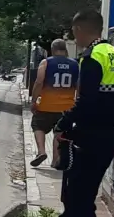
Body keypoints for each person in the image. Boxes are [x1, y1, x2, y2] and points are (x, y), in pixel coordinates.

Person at [33, 11, 114, 217]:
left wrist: (63, 124)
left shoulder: (91, 58)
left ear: (78, 29)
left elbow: (85, 101)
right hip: (106, 134)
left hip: (87, 137)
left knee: (79, 200)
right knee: (75, 196)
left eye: (73, 30)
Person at [29, 39, 78, 169]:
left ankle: (41, 151)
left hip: (46, 105)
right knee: (59, 133)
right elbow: (80, 86)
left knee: (37, 126)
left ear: (52, 49)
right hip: (66, 108)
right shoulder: (75, 64)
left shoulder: (46, 62)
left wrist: (34, 101)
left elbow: (39, 82)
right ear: (65, 49)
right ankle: (55, 160)